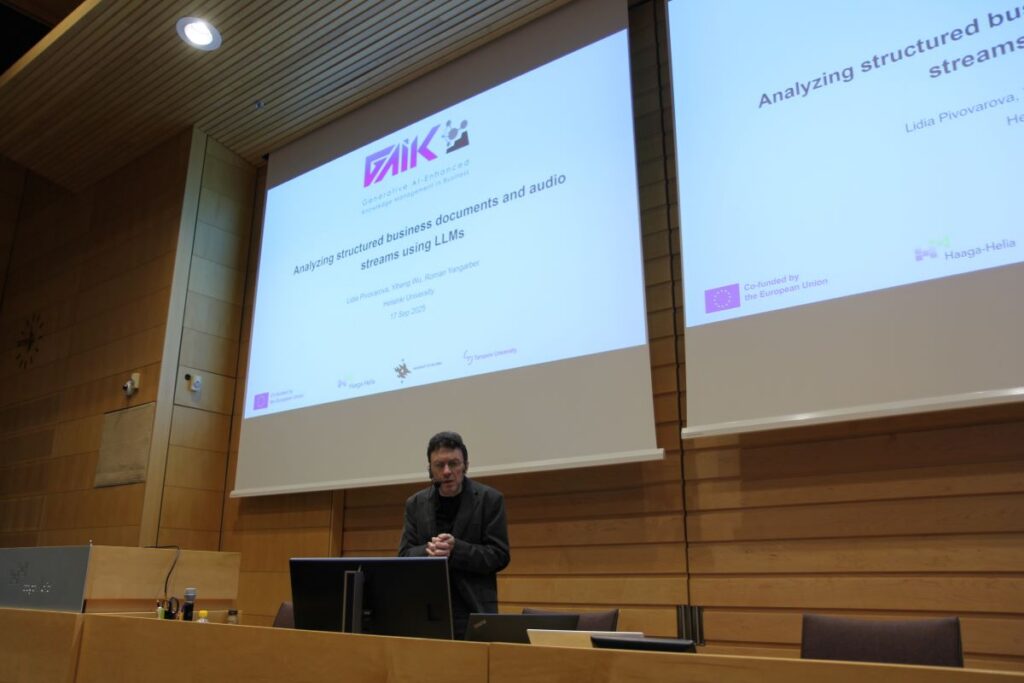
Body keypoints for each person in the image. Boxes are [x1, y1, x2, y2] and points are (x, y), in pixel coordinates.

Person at [399, 431, 510, 639]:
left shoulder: (490, 500)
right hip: (426, 609)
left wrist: (455, 549)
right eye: (439, 465)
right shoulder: (415, 504)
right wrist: (427, 551)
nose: (447, 471)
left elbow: (500, 555)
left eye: (454, 463)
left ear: (465, 465)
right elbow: (404, 555)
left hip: (473, 609)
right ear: (430, 470)